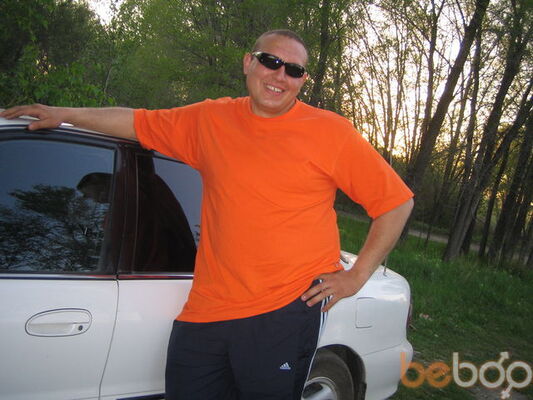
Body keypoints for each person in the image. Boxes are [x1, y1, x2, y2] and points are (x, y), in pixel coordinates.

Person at [1, 29, 413, 399]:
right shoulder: (212, 118)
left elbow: (396, 202)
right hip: (207, 309)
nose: (280, 75)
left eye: (294, 70)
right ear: (248, 63)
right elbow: (138, 123)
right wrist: (66, 114)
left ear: (302, 80)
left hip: (283, 310)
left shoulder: (330, 132)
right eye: (271, 61)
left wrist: (356, 276)